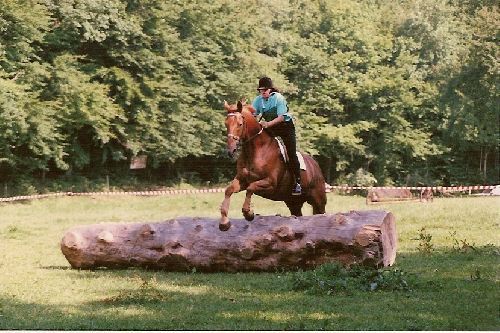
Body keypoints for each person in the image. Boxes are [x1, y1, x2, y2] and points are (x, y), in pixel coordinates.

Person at [252, 76, 302, 195]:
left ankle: (298, 182)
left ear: (270, 90)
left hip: (285, 127)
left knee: (291, 152)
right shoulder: (258, 100)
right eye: (260, 90)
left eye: (265, 90)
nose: (262, 92)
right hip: (271, 127)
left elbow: (281, 117)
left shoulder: (278, 98)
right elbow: (253, 114)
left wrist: (268, 124)